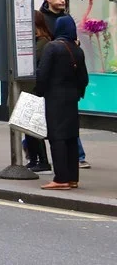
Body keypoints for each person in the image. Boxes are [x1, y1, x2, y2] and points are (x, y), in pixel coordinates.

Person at [38, 0, 91, 168]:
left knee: (62, 126)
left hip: (64, 78)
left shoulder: (66, 18)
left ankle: (75, 158)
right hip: (52, 77)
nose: (62, 1)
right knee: (52, 123)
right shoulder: (41, 18)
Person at [35, 15, 90, 190]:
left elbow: (42, 74)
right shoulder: (77, 50)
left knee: (57, 137)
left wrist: (39, 92)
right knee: (71, 137)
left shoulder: (52, 47)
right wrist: (77, 93)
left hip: (55, 98)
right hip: (72, 99)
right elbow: (84, 78)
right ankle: (73, 178)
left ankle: (61, 179)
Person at [23, 11, 54, 172]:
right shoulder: (37, 42)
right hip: (31, 89)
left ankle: (42, 161)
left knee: (34, 127)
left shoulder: (43, 43)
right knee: (28, 127)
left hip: (35, 89)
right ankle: (34, 159)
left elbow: (32, 62)